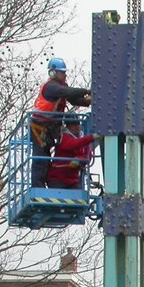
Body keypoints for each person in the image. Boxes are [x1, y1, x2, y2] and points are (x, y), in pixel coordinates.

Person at [31, 57, 92, 188]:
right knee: (40, 158)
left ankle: (43, 184)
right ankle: (37, 187)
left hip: (50, 127)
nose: (65, 74)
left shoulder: (61, 87)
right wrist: (86, 91)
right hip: (39, 127)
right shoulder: (50, 87)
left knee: (47, 157)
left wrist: (88, 100)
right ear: (53, 72)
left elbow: (74, 99)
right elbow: (66, 92)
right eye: (62, 72)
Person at [46, 118, 95, 189]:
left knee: (78, 196)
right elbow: (71, 145)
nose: (77, 127)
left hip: (73, 180)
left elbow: (88, 155)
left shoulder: (82, 140)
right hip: (57, 179)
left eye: (78, 124)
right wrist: (91, 138)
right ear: (68, 126)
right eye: (73, 124)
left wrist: (79, 159)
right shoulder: (64, 137)